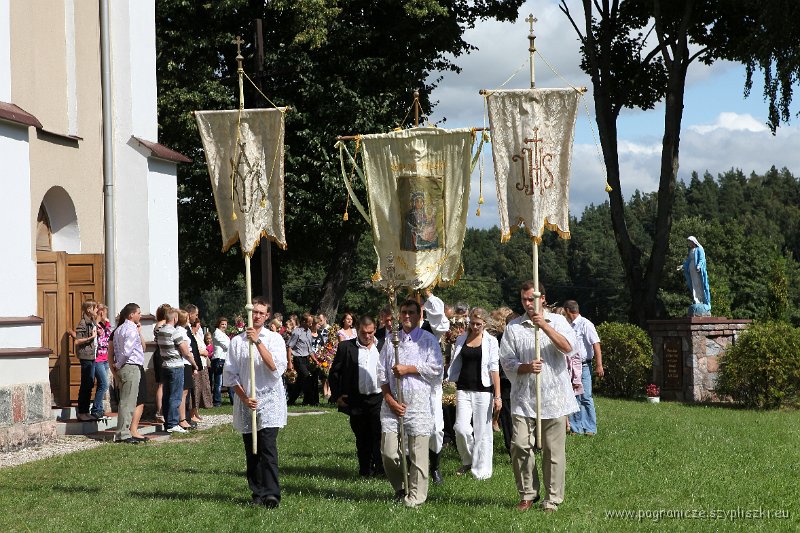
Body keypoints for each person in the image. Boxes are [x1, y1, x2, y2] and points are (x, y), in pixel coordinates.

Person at [500, 281, 578, 513]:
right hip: (524, 397)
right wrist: (525, 367)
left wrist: (544, 325)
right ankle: (527, 494)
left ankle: (552, 498)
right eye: (524, 299)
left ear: (542, 298)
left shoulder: (559, 321)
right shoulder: (513, 327)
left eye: (532, 299)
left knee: (553, 451)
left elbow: (569, 347)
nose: (528, 303)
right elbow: (506, 361)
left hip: (554, 396)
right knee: (520, 445)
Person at [223, 297, 288, 508]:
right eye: (254, 312)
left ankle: (272, 493)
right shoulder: (236, 342)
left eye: (261, 312)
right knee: (252, 450)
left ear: (267, 315)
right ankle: (257, 492)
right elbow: (231, 375)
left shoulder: (274, 339)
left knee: (267, 447)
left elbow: (275, 367)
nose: (257, 315)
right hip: (247, 400)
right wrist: (243, 397)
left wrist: (258, 342)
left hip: (269, 399)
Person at [379, 299, 443, 508]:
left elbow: (436, 369)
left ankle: (416, 496)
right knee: (388, 452)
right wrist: (389, 399)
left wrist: (408, 369)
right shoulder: (391, 340)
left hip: (417, 404)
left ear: (419, 315)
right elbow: (382, 373)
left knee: (418, 452)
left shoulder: (427, 340)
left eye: (411, 312)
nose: (407, 316)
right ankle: (401, 486)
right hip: (393, 404)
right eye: (404, 312)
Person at [447, 307, 501, 480]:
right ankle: (468, 459)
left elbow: (494, 368)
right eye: (472, 323)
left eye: (478, 324)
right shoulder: (462, 338)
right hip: (463, 387)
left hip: (483, 389)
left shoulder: (491, 341)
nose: (475, 327)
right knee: (461, 428)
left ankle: (481, 470)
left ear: (484, 324)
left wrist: (497, 395)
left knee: (482, 431)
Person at [329, 315, 384, 478]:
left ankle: (380, 468)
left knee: (379, 435)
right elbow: (334, 372)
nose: (367, 336)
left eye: (370, 333)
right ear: (357, 331)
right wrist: (337, 395)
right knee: (362, 437)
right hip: (356, 400)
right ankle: (365, 470)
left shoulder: (381, 347)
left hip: (378, 399)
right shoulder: (346, 347)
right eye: (363, 333)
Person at [422, 288, 450, 485]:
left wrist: (428, 294)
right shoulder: (399, 332)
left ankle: (434, 467)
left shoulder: (432, 329)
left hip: (431, 387)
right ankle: (413, 468)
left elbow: (440, 317)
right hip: (408, 387)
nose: (409, 317)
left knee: (436, 429)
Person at [563, 300, 602, 436]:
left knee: (585, 397)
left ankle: (590, 428)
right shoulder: (567, 325)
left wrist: (599, 365)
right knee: (574, 396)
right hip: (571, 366)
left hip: (584, 365)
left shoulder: (585, 324)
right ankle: (576, 427)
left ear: (567, 311)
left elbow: (596, 344)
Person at [112, 303, 148, 444]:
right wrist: (119, 364)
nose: (140, 315)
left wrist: (117, 365)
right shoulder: (131, 329)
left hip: (125, 366)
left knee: (126, 401)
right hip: (130, 366)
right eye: (138, 312)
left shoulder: (119, 329)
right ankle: (123, 433)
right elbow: (127, 351)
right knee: (128, 401)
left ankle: (124, 431)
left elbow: (116, 348)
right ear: (131, 315)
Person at [156, 306, 193, 433]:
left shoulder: (160, 331)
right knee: (175, 396)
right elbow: (185, 351)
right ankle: (172, 423)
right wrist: (194, 364)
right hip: (176, 365)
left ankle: (168, 422)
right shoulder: (174, 332)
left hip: (165, 364)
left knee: (167, 395)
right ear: (175, 318)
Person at [74, 299, 98, 421]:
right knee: (85, 384)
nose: (97, 310)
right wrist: (91, 337)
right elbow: (77, 341)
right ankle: (82, 412)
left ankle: (86, 411)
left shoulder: (92, 321)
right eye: (95, 308)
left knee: (89, 384)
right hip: (86, 356)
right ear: (89, 309)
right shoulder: (83, 323)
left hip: (92, 356)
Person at [287, 313, 316, 406]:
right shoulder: (297, 332)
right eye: (309, 322)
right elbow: (289, 347)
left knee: (300, 382)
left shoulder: (308, 332)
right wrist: (289, 363)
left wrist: (315, 360)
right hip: (298, 359)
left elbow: (310, 349)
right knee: (307, 377)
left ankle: (291, 401)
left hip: (306, 359)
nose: (311, 324)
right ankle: (309, 400)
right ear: (303, 322)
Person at [679, 236, 711, 315]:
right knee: (694, 285)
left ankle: (701, 300)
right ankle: (696, 299)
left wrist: (699, 266)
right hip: (691, 270)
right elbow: (688, 261)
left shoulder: (699, 248)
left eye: (690, 241)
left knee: (699, 284)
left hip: (697, 270)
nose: (689, 243)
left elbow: (702, 258)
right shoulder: (691, 251)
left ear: (694, 241)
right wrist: (682, 266)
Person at [91, 303, 112, 420]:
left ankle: (99, 409)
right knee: (104, 384)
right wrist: (99, 320)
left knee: (102, 385)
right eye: (104, 313)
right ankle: (95, 409)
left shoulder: (104, 326)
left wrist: (106, 322)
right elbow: (98, 338)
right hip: (98, 359)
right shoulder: (95, 325)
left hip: (105, 359)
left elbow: (109, 336)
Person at [151, 303, 172, 423]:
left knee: (162, 384)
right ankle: (160, 412)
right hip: (162, 354)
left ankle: (161, 411)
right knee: (162, 384)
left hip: (159, 353)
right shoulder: (163, 324)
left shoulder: (157, 324)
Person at [211, 317, 230, 407]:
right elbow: (226, 346)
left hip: (224, 358)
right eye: (222, 324)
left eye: (225, 324)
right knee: (218, 382)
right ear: (218, 324)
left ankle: (231, 399)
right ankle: (217, 401)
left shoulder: (224, 334)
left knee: (227, 380)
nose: (224, 326)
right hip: (218, 359)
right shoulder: (217, 333)